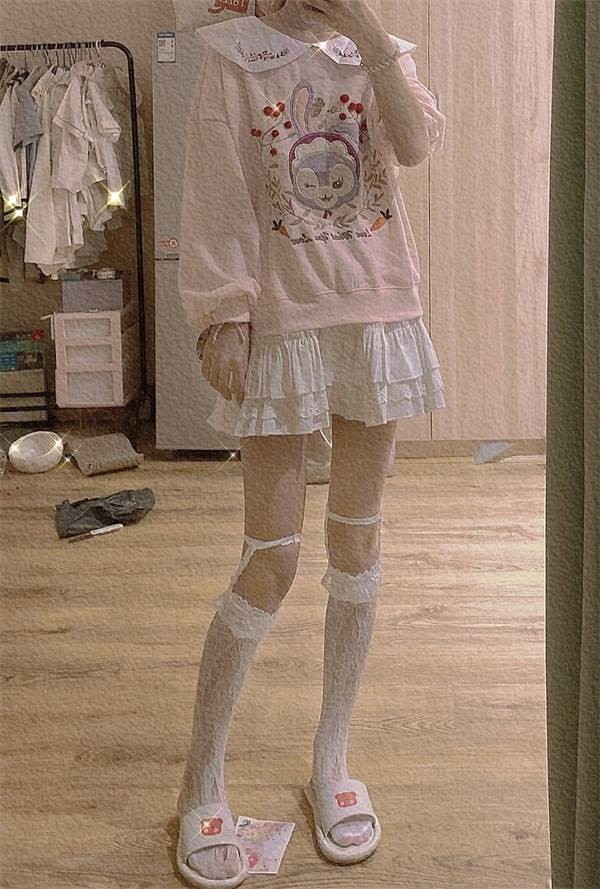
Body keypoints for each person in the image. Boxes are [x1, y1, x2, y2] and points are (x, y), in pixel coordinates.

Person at [175, 1, 447, 885]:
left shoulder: (376, 50)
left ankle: (332, 759)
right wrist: (223, 310)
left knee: (358, 541)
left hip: (378, 314)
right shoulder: (235, 56)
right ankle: (201, 779)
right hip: (285, 323)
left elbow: (415, 144)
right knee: (272, 557)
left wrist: (367, 34)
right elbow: (216, 189)